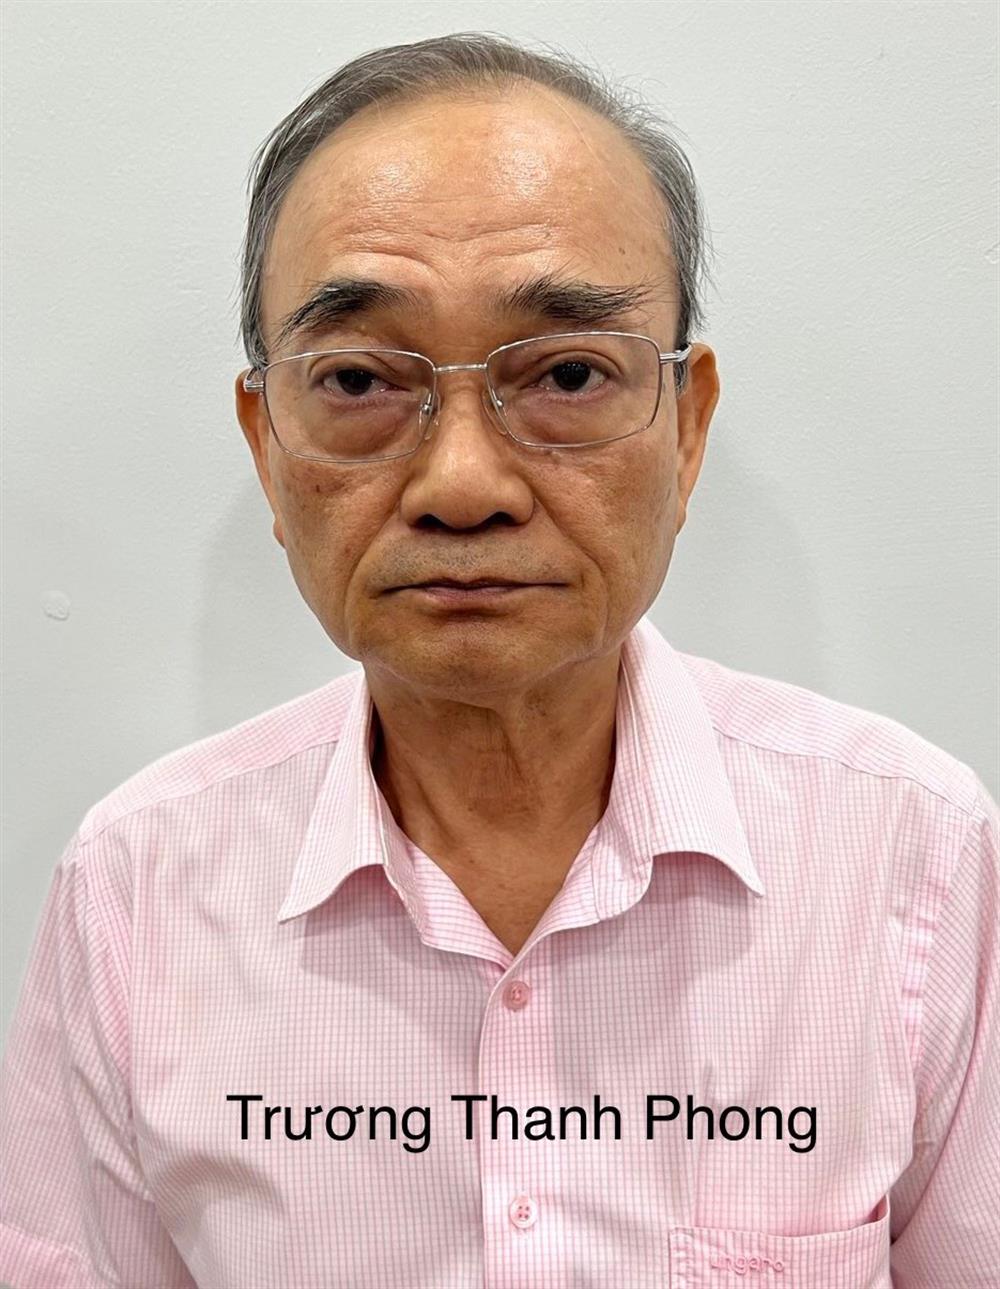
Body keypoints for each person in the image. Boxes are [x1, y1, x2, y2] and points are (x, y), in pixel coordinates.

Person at [1, 30, 997, 1289]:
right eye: (357, 378)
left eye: (568, 372)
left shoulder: (911, 858)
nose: (462, 483)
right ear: (265, 441)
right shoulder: (136, 892)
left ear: (686, 429)